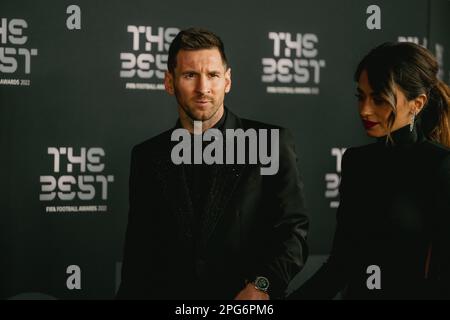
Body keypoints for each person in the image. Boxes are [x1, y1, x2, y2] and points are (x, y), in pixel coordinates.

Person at [117, 28, 309, 300]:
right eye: (190, 75)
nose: (203, 88)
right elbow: (139, 256)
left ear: (227, 81)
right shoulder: (148, 156)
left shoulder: (270, 143)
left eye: (213, 75)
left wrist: (262, 286)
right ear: (169, 82)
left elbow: (293, 234)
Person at [289, 42, 450, 300]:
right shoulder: (356, 162)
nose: (365, 109)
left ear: (417, 104)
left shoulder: (440, 165)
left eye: (379, 99)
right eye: (361, 96)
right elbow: (341, 265)